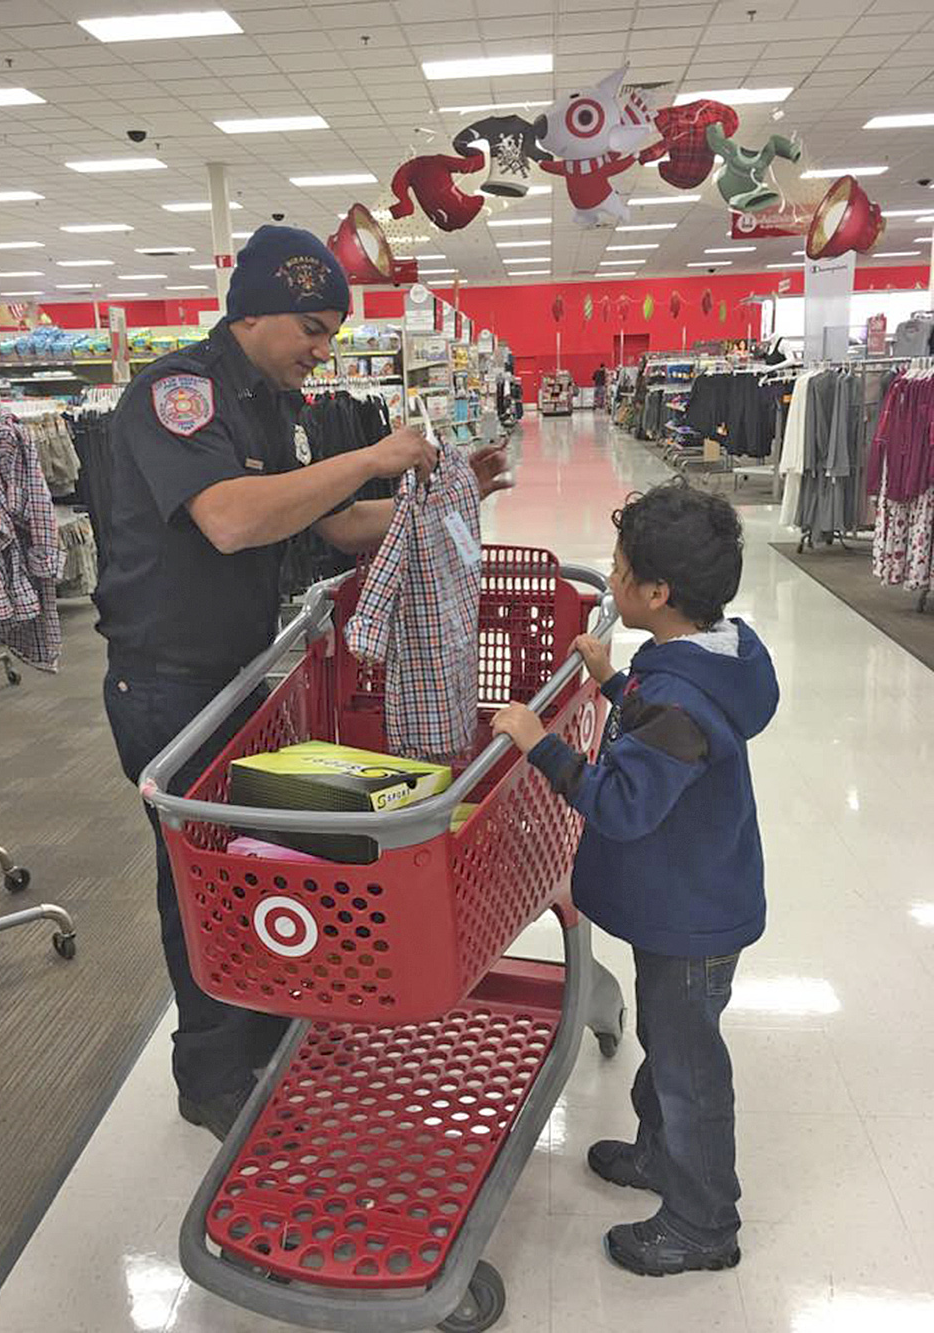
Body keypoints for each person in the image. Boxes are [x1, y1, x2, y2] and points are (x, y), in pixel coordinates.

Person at [97, 225, 509, 1140]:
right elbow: (234, 522)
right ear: (256, 312)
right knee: (197, 876)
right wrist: (370, 455)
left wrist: (446, 497)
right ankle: (209, 1069)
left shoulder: (271, 406)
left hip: (238, 675)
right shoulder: (179, 394)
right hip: (166, 685)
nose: (324, 351)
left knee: (251, 862)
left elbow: (326, 524)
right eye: (314, 329)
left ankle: (267, 1014)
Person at [492, 481, 778, 1277]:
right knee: (669, 1040)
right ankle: (660, 1153)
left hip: (691, 914)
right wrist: (615, 682)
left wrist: (536, 741)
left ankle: (702, 1221)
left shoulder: (681, 697)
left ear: (656, 593)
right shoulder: (714, 655)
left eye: (619, 571)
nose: (610, 582)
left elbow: (621, 802)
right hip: (696, 894)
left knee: (688, 1066)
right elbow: (668, 728)